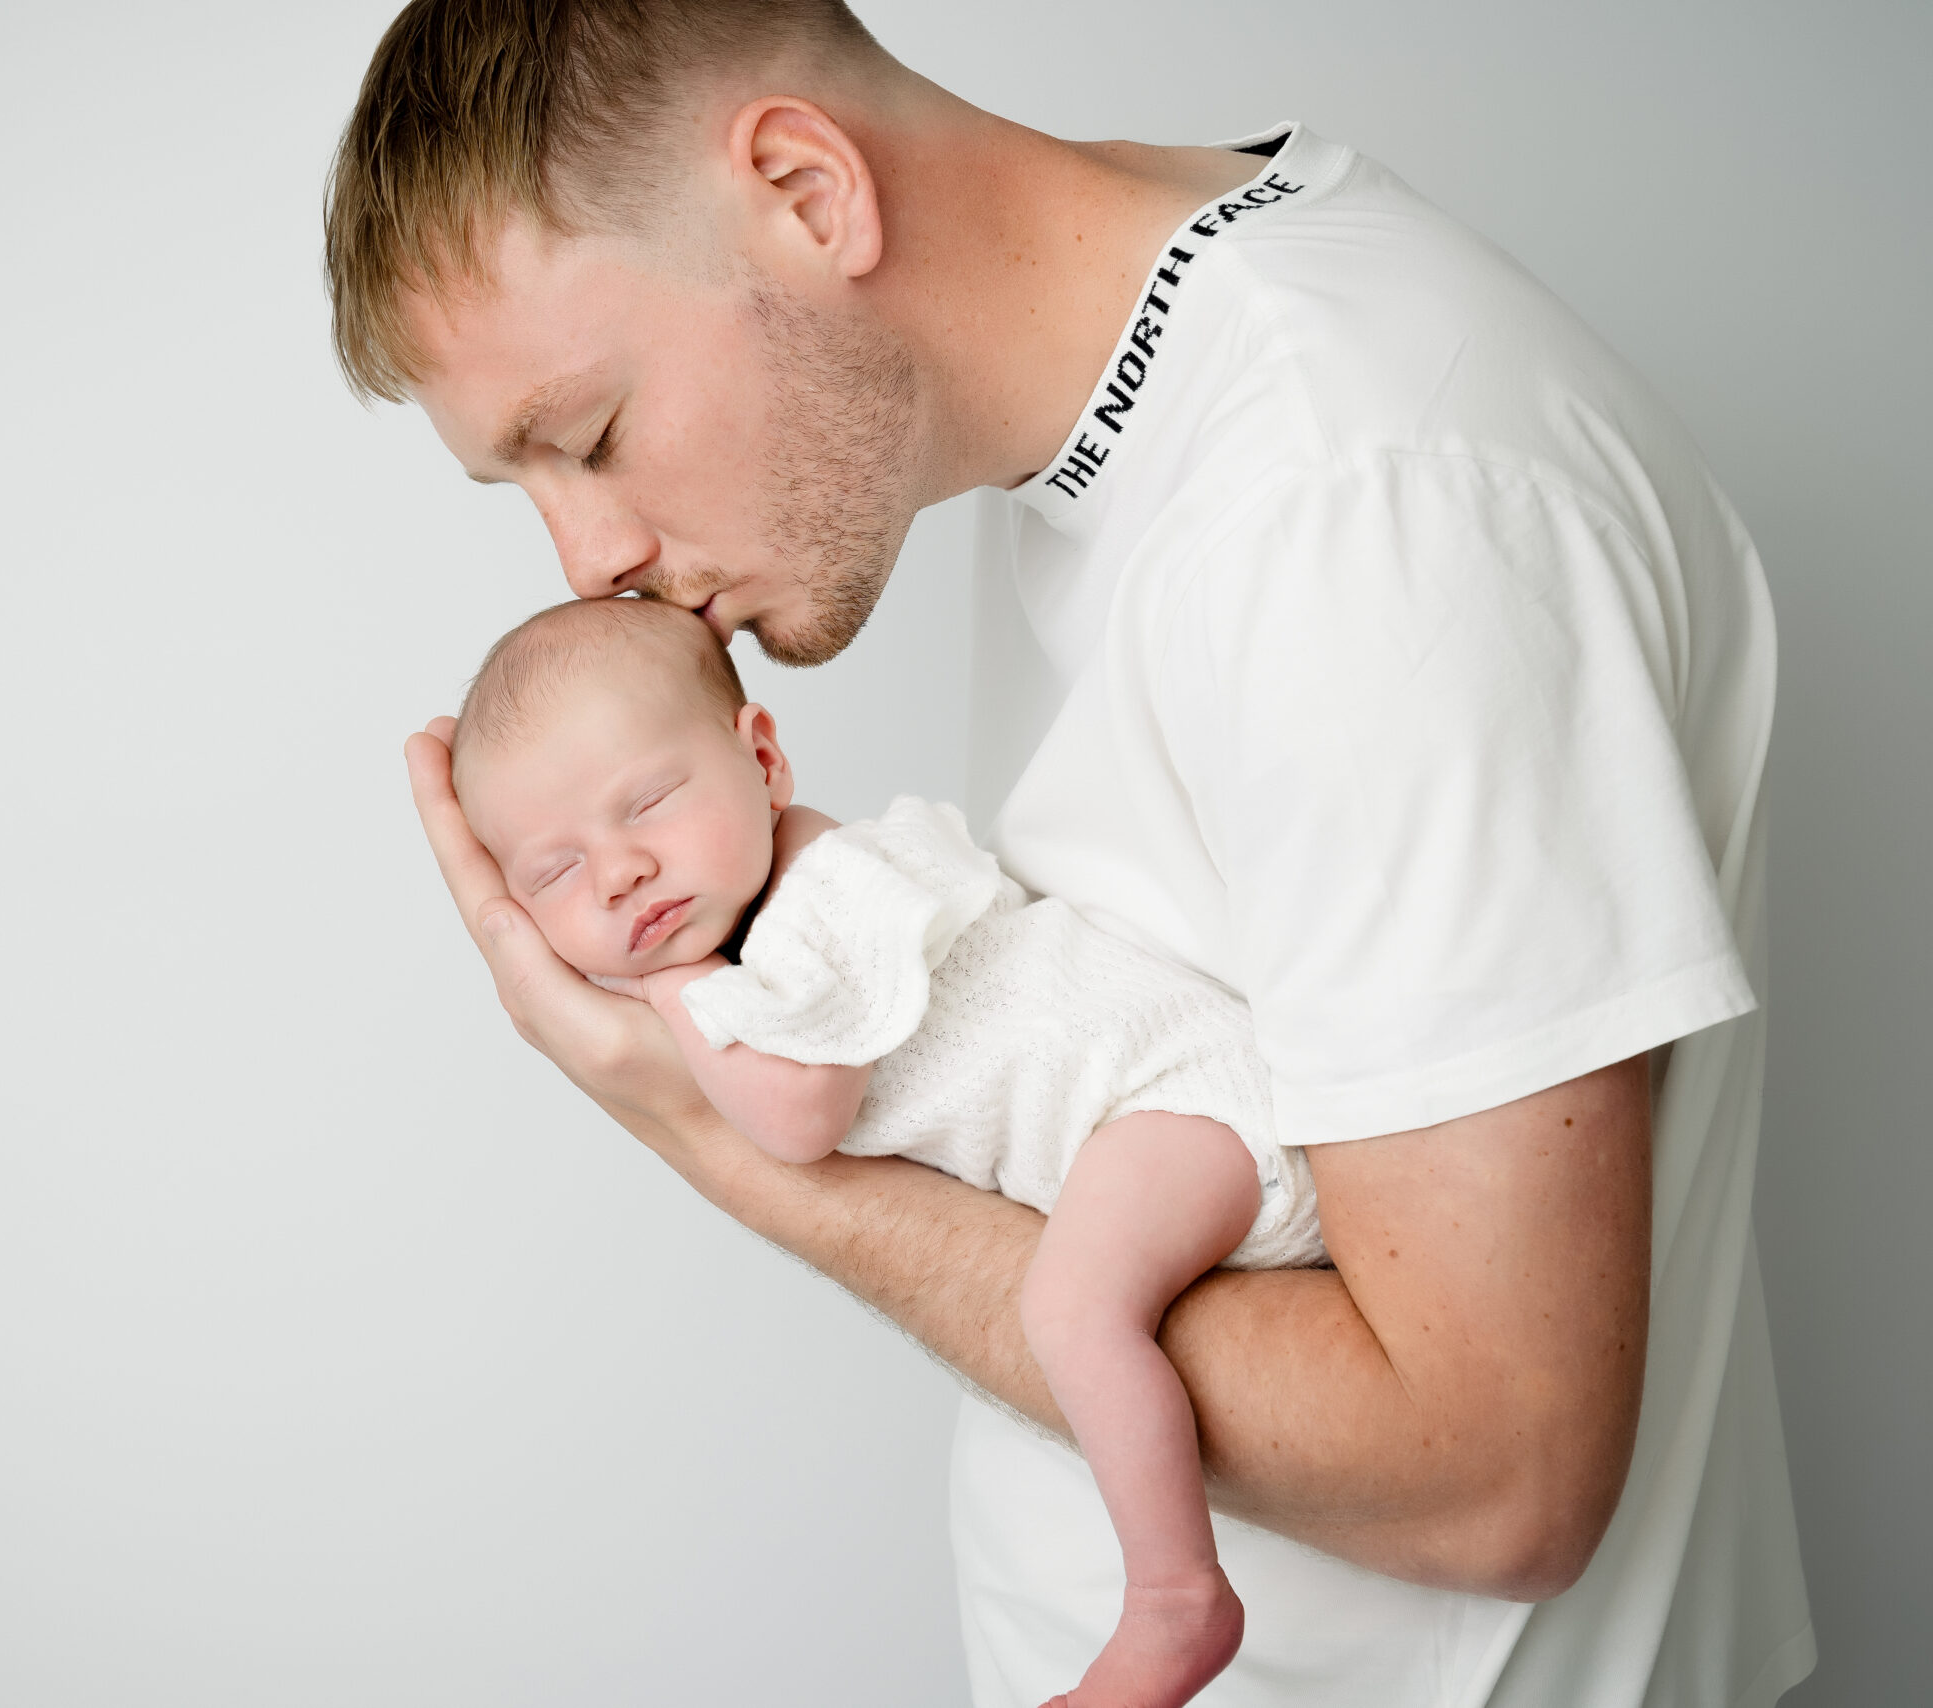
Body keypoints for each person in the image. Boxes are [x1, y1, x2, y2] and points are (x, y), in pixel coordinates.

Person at [324, 3, 1814, 1703]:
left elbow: (1497, 1475)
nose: (589, 557)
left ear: (808, 192)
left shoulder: (1362, 509)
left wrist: (728, 1146)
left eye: (584, 434)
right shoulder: (1106, 426)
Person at [451, 594, 1333, 1706]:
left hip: (1183, 1100)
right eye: (552, 874)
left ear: (762, 758)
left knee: (1066, 1310)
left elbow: (799, 1116)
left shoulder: (829, 887)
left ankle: (1174, 1598)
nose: (618, 872)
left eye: (648, 803)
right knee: (1072, 1309)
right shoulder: (762, 935)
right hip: (1146, 1135)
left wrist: (674, 992)